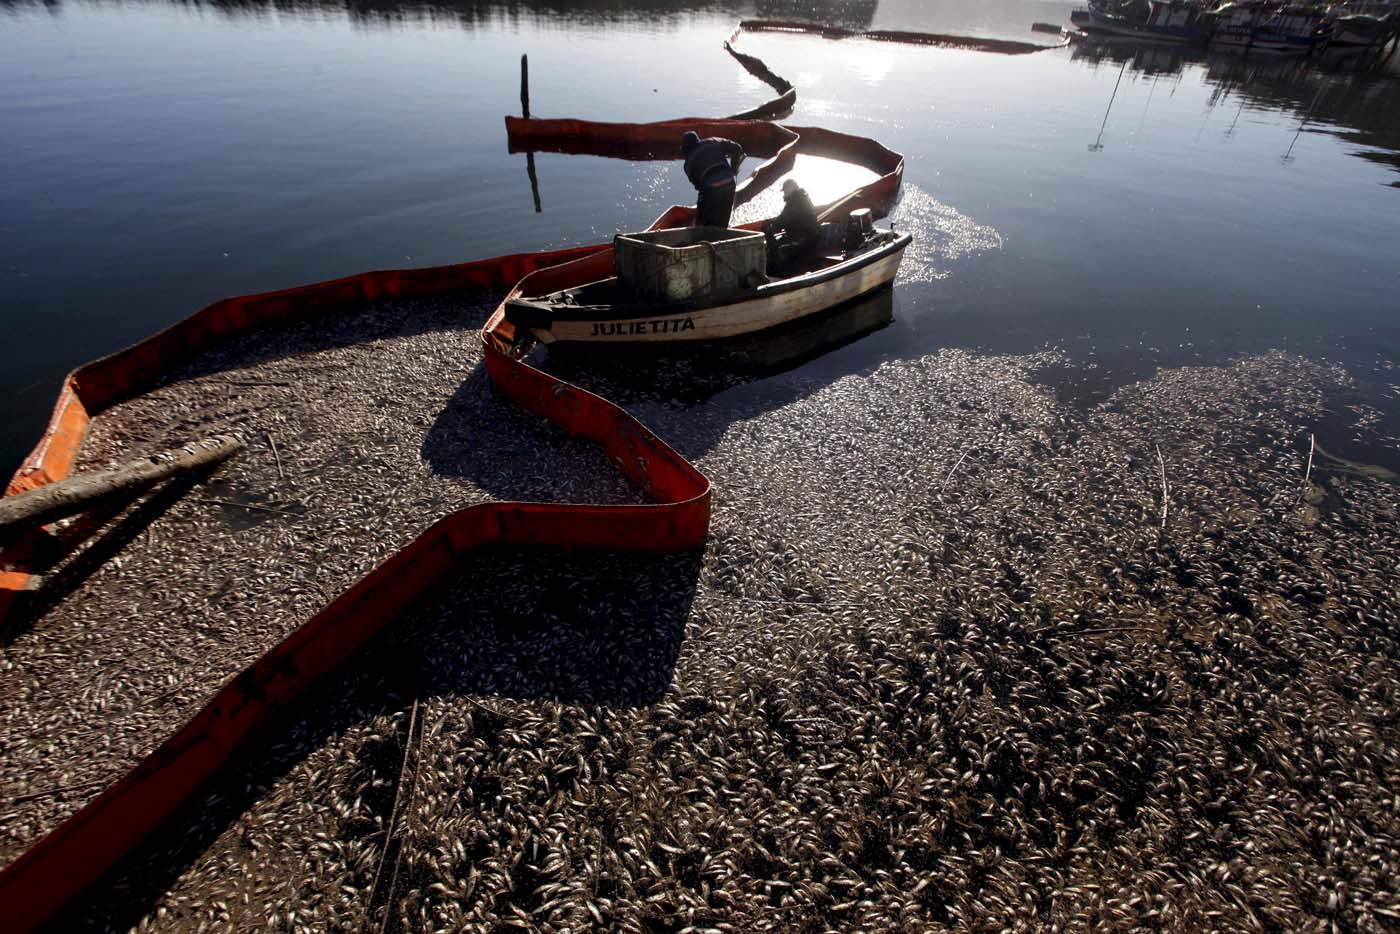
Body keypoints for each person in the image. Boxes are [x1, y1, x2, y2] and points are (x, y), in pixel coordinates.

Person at [681, 130, 744, 229]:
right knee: (723, 223)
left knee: (706, 223)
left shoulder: (687, 165)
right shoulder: (713, 142)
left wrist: (699, 215)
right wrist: (733, 168)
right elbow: (737, 148)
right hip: (729, 182)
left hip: (711, 188)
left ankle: (705, 236)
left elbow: (699, 187)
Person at [764, 179, 823, 273]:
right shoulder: (802, 197)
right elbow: (785, 218)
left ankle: (783, 276)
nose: (784, 193)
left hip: (803, 238)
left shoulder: (795, 202)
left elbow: (783, 219)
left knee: (775, 250)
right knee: (778, 244)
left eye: (785, 190)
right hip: (810, 236)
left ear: (791, 189)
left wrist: (770, 229)